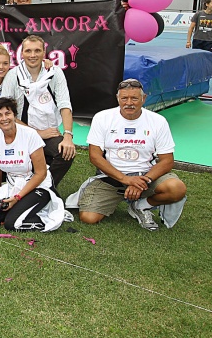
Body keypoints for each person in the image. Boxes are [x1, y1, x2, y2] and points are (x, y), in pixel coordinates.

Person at [66, 79, 187, 230]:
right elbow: (95, 156)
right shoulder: (102, 118)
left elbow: (167, 161)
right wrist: (126, 179)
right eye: (124, 98)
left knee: (176, 188)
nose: (129, 103)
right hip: (111, 178)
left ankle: (141, 205)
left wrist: (144, 181)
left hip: (146, 176)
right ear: (117, 98)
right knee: (88, 218)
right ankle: (121, 198)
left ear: (143, 98)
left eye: (134, 98)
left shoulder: (158, 121)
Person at [0, 98, 66, 231]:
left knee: (11, 224)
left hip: (37, 186)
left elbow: (41, 173)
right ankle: (20, 210)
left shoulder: (30, 135)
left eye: (8, 113)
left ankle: (47, 217)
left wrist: (17, 198)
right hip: (12, 185)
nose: (4, 118)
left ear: (14, 115)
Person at [1, 35, 75, 186]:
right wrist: (37, 133)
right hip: (20, 133)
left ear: (44, 52)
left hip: (49, 133)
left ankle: (45, 187)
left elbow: (65, 105)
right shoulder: (12, 76)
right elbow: (5, 115)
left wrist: (68, 136)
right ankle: (32, 184)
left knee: (65, 152)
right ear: (22, 53)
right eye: (28, 51)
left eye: (37, 51)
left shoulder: (55, 72)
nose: (32, 55)